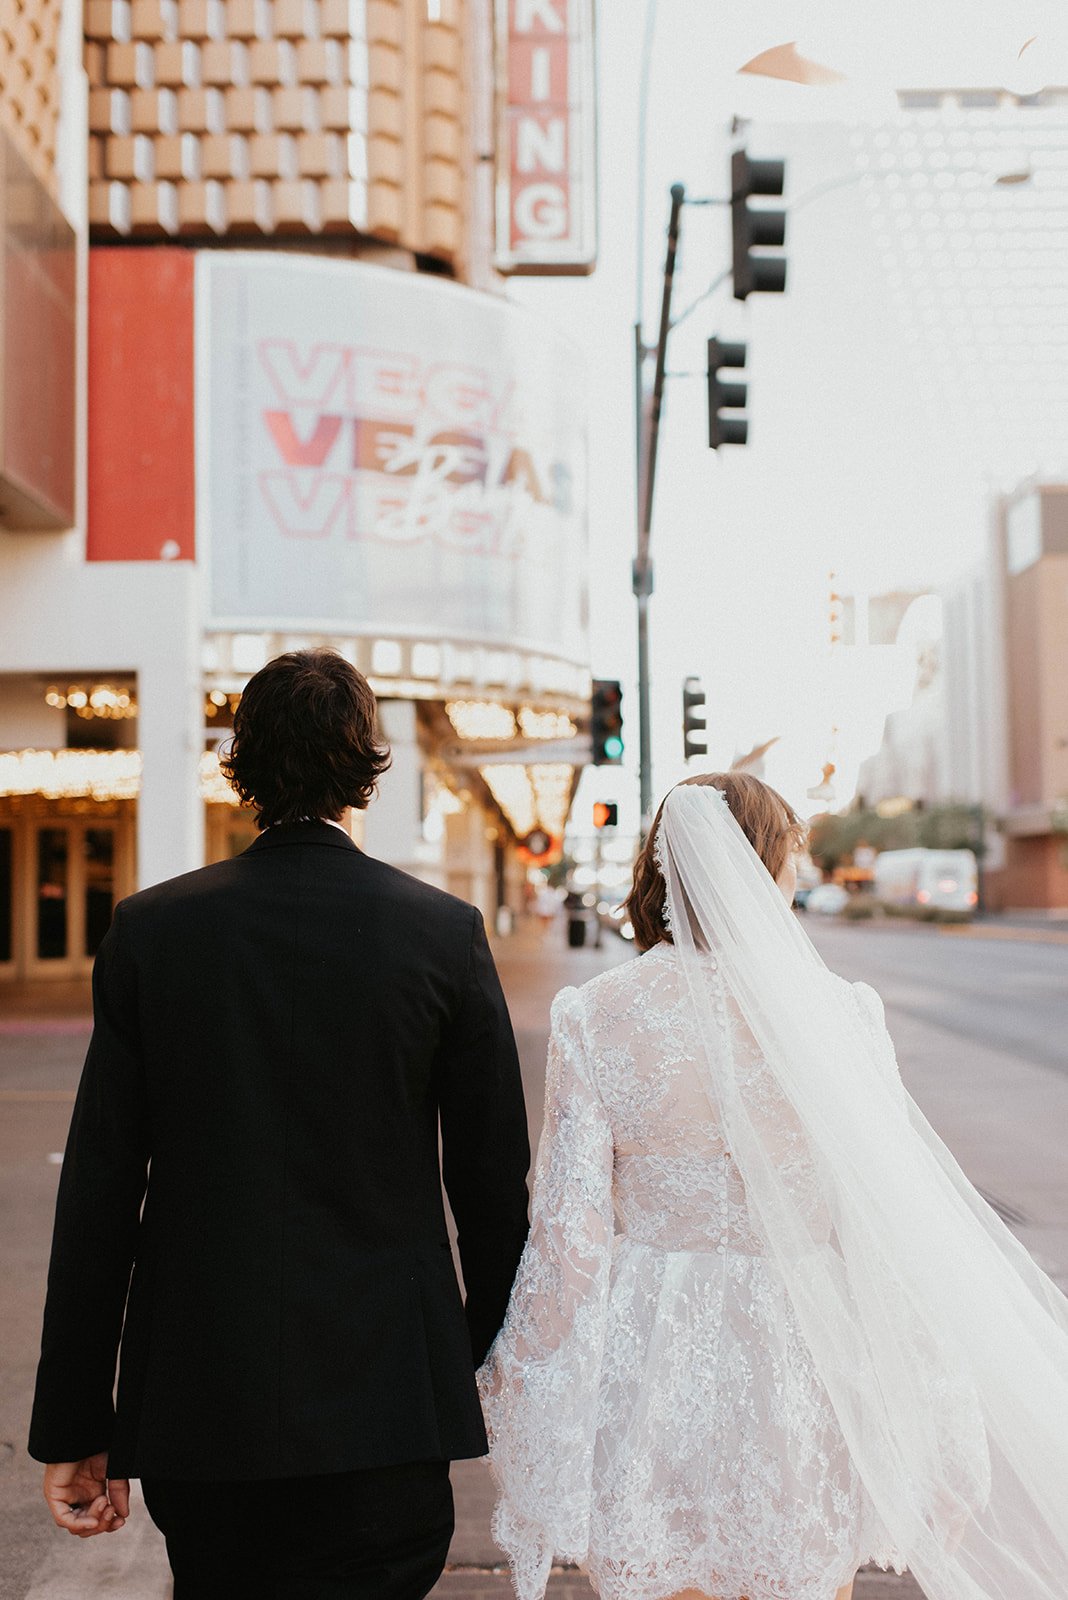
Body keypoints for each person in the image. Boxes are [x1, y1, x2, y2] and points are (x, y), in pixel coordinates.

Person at [479, 771, 1068, 1600]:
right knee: (800, 1573)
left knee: (664, 1572)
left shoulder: (596, 1015)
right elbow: (882, 1229)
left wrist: (517, 1361)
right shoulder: (844, 1013)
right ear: (762, 871)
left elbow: (570, 1238)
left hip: (654, 1349)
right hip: (804, 1346)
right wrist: (932, 1395)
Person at [29, 648, 531, 1600]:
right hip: (389, 1400)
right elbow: (492, 1190)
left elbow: (98, 1194)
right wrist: (480, 1367)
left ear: (243, 766)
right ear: (366, 768)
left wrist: (75, 1426)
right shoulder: (443, 934)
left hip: (203, 1399)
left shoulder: (152, 932)